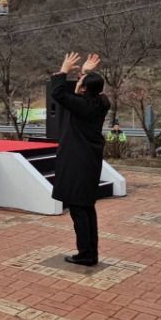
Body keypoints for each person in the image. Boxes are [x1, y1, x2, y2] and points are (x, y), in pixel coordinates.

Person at [50, 52, 110, 267]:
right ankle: (89, 252)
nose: (78, 83)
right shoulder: (100, 102)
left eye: (81, 81)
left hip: (78, 161)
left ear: (84, 89)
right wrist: (86, 73)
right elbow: (84, 92)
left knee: (79, 209)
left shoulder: (82, 105)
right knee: (86, 208)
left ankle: (86, 254)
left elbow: (57, 92)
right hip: (89, 161)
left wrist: (64, 69)